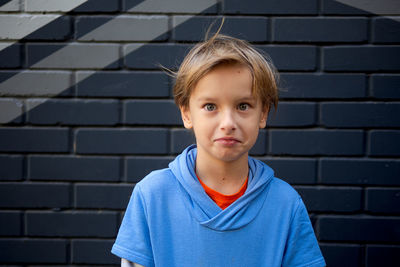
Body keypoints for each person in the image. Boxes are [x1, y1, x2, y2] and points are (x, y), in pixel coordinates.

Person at [111, 31, 326, 267]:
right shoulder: (152, 195)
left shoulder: (285, 203)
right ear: (186, 113)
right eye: (210, 106)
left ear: (262, 113)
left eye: (243, 106)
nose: (228, 123)